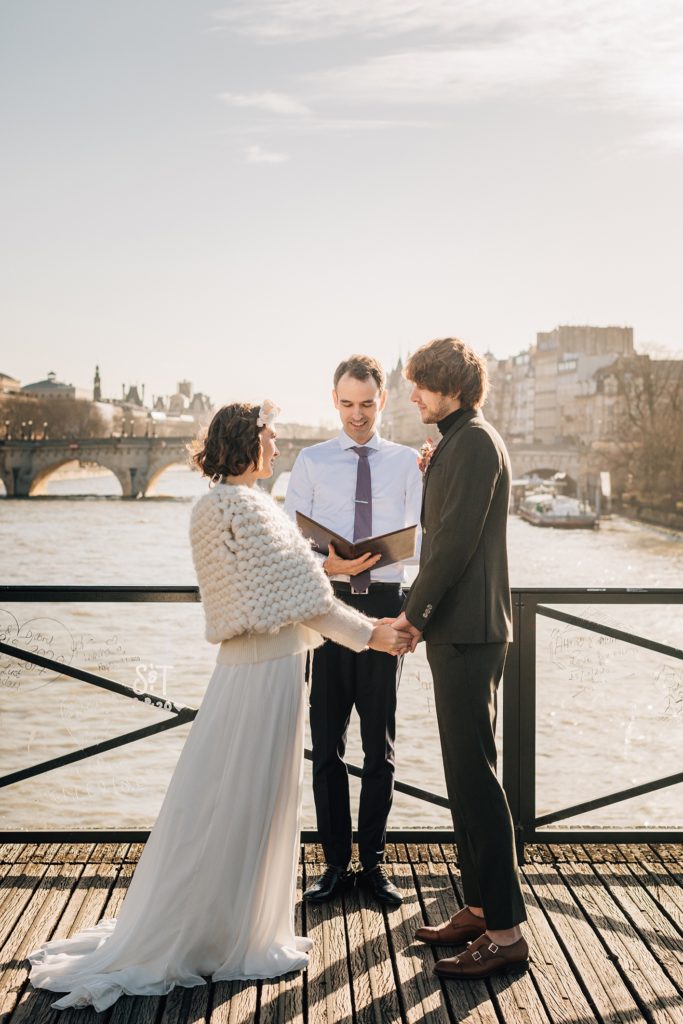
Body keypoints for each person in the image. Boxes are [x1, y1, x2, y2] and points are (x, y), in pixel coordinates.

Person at [27, 400, 411, 1011]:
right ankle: (237, 934)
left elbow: (279, 582)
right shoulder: (249, 509)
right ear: (247, 442)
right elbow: (305, 600)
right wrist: (376, 634)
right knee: (255, 798)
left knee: (222, 797)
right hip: (267, 674)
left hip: (247, 669)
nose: (279, 444)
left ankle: (218, 922)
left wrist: (321, 567)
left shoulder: (217, 507)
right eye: (271, 435)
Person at [391, 338, 529, 980]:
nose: (411, 394)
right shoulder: (460, 440)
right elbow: (448, 526)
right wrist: (433, 469)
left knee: (475, 780)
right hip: (465, 629)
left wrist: (412, 617)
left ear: (449, 385)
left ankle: (504, 933)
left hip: (467, 630)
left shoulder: (471, 441)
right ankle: (478, 905)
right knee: (464, 776)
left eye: (420, 384)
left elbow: (451, 545)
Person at [284, 356, 422, 906]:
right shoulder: (311, 461)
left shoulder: (410, 462)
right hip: (328, 610)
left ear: (382, 400)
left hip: (387, 610)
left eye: (366, 404)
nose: (357, 415)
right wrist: (328, 568)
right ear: (333, 400)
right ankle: (335, 865)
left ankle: (375, 865)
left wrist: (414, 616)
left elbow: (425, 542)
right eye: (346, 404)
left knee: (379, 747)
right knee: (326, 745)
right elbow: (291, 547)